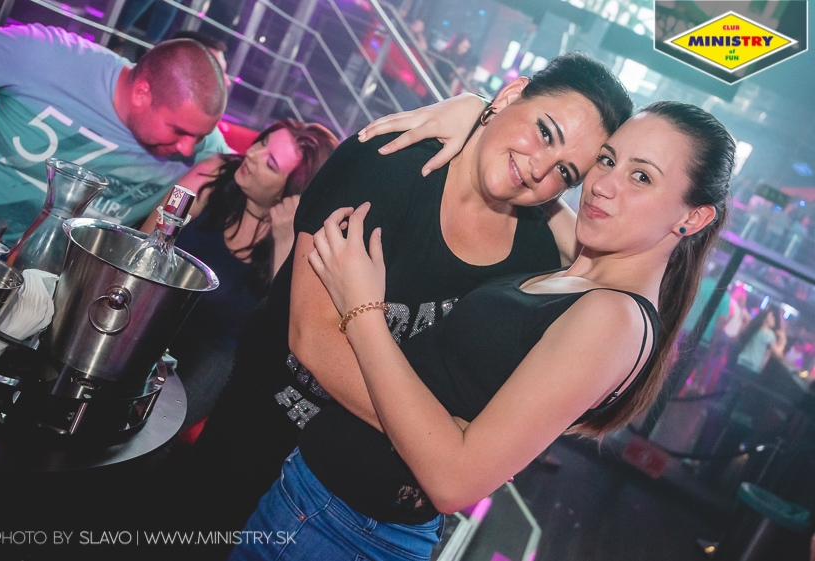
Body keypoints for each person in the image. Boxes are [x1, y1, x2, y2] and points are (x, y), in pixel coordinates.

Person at [229, 100, 735, 560]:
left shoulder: (615, 317)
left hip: (348, 534)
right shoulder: (584, 265)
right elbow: (533, 181)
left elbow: (454, 480)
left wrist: (363, 311)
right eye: (606, 160)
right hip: (316, 499)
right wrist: (479, 112)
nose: (603, 185)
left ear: (693, 217)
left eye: (641, 177)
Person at [181, 51, 634, 547]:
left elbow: (621, 268)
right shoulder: (390, 161)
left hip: (360, 503)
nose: (540, 168)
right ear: (511, 94)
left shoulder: (538, 251)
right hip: (258, 434)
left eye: (565, 173)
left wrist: (457, 449)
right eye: (545, 132)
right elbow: (314, 338)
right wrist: (450, 443)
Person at [142, 119, 337, 429]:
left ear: (291, 193)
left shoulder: (300, 240)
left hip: (218, 350)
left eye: (270, 163)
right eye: (263, 143)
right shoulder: (215, 171)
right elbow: (146, 243)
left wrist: (285, 241)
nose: (252, 155)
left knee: (164, 422)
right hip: (158, 310)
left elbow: (284, 335)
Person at [0, 23, 229, 241]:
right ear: (142, 93)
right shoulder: (46, 56)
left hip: (64, 277)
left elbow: (243, 180)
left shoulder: (207, 149)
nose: (188, 148)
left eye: (200, 137)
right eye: (178, 131)